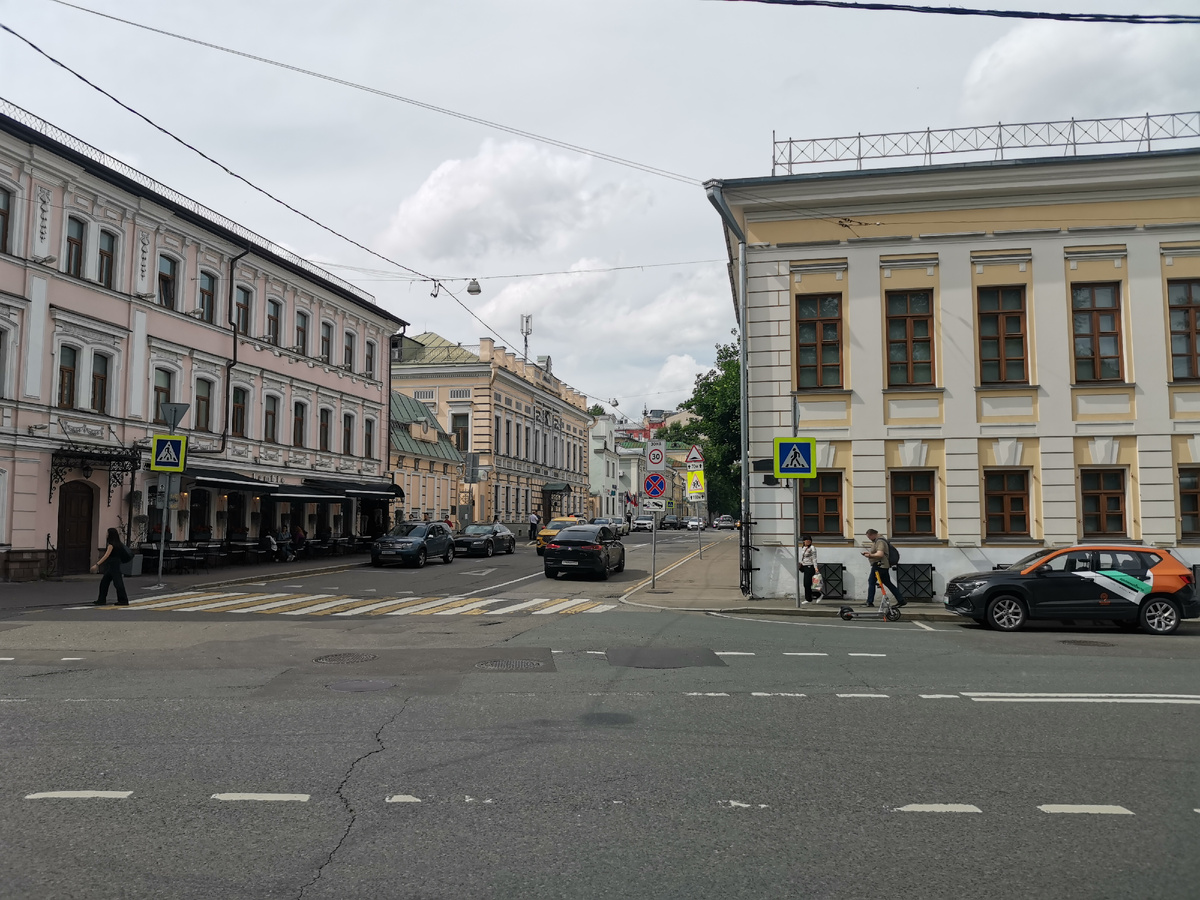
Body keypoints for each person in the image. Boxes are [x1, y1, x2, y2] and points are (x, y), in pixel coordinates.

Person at [862, 528, 906, 608]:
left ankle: (869, 601)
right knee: (888, 583)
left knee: (871, 582)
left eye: (869, 537)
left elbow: (880, 554)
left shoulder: (880, 541)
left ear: (872, 535)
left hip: (879, 565)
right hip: (882, 565)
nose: (869, 539)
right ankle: (901, 600)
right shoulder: (879, 540)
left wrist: (870, 555)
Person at [90, 527, 130, 606]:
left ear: (110, 535)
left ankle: (123, 600)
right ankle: (101, 600)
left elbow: (106, 556)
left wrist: (97, 564)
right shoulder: (119, 544)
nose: (106, 534)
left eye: (107, 533)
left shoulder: (111, 545)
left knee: (117, 583)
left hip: (113, 566)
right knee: (105, 582)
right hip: (115, 565)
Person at [798, 534, 819, 604]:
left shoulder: (812, 548)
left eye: (809, 540)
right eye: (806, 540)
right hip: (804, 566)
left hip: (810, 567)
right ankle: (811, 597)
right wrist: (801, 564)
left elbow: (814, 558)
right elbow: (803, 557)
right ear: (804, 541)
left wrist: (816, 567)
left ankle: (811, 597)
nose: (808, 541)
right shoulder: (803, 548)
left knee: (807, 583)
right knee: (806, 584)